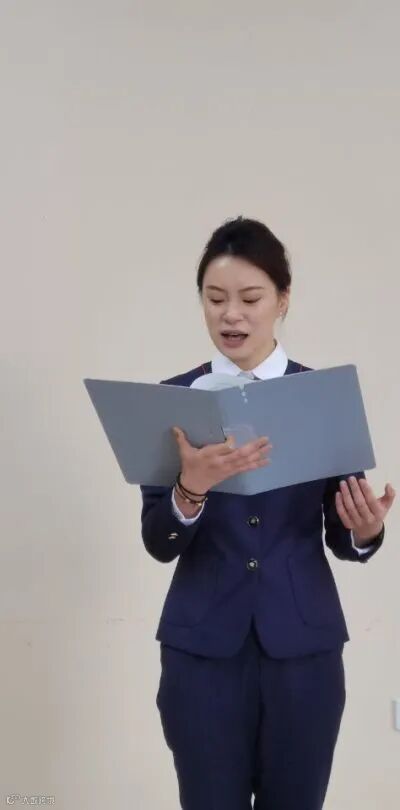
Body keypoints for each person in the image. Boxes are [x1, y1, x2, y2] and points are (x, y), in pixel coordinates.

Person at [140, 217, 396, 810]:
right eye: (215, 299)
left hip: (303, 652)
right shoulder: (171, 401)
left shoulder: (322, 396)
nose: (231, 315)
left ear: (282, 300)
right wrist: (190, 488)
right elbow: (158, 541)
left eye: (250, 299)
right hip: (201, 653)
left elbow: (345, 534)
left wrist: (365, 530)